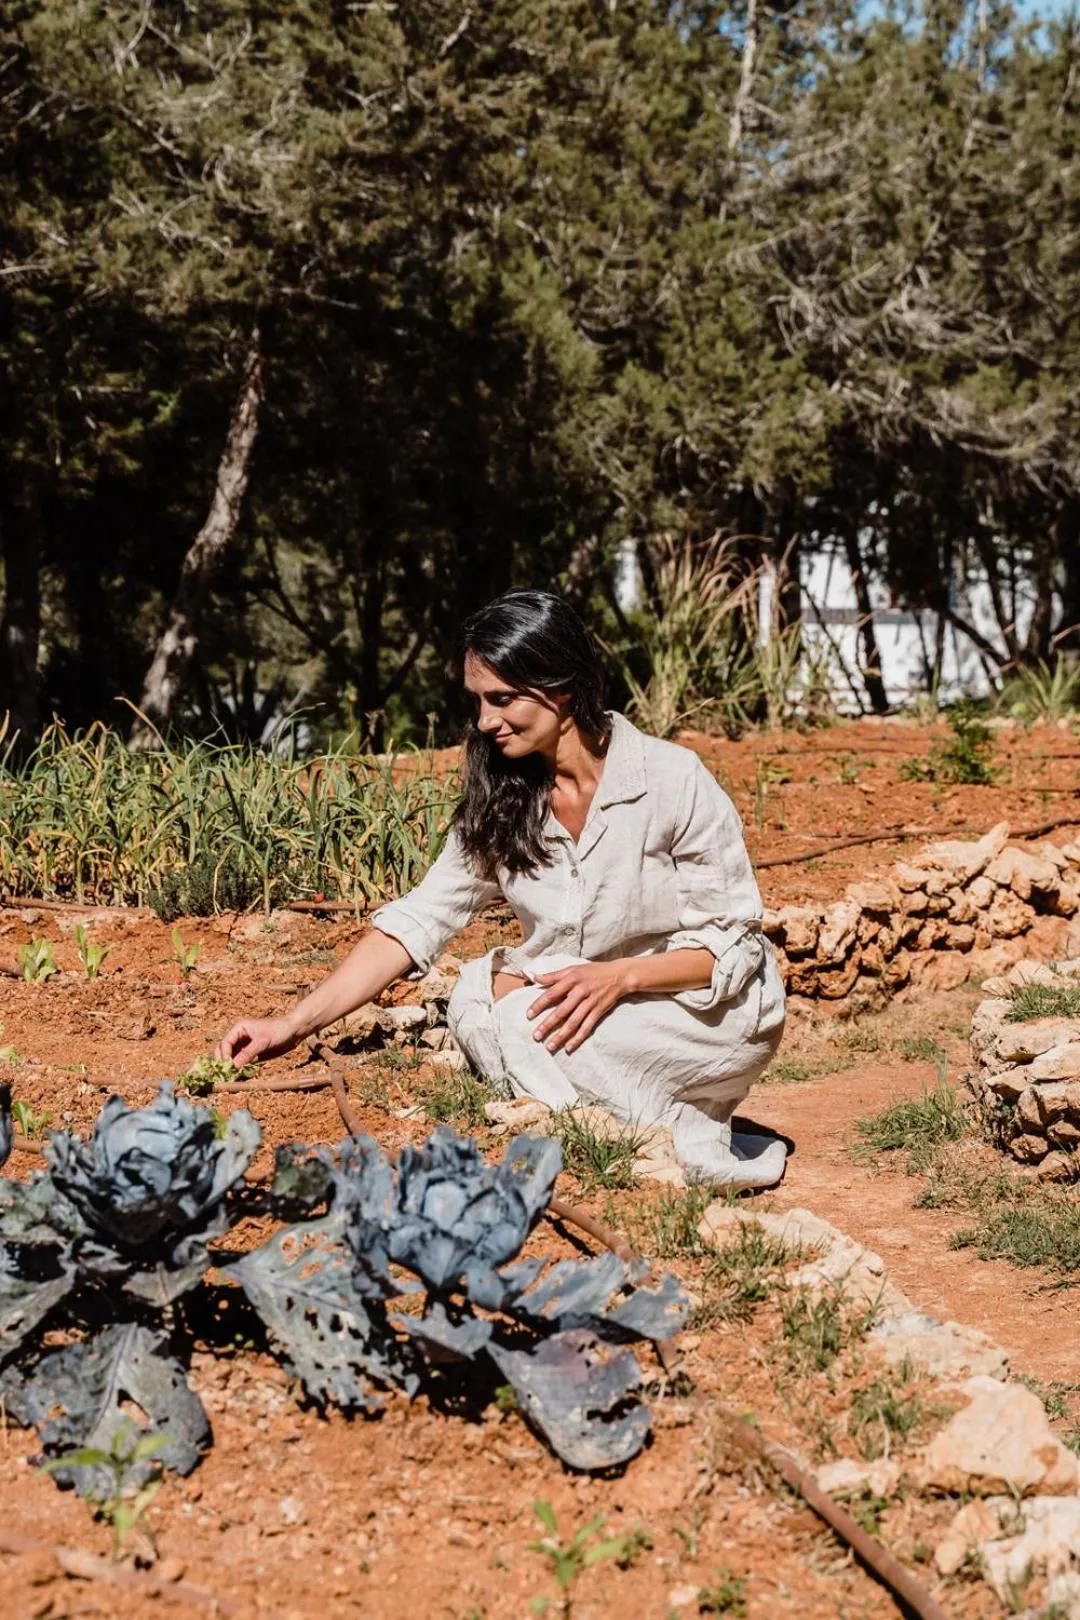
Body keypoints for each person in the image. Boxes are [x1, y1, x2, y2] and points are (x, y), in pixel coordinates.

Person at [215, 590, 787, 1187]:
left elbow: (734, 946)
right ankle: (656, 1129)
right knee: (477, 998)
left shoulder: (673, 780)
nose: (485, 721)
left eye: (503, 698)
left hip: (697, 1011)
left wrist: (621, 976)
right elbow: (418, 919)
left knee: (507, 1017)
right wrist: (294, 1023)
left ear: (561, 686)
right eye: (479, 702)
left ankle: (653, 1133)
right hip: (583, 1013)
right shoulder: (504, 798)